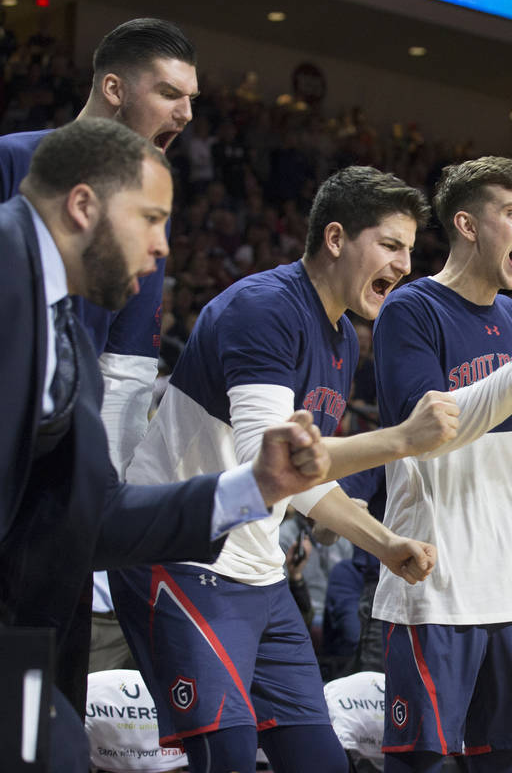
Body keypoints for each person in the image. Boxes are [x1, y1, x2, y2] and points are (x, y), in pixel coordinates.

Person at [0, 117, 329, 769]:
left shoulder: (69, 333)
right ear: (84, 205)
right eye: (150, 219)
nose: (163, 248)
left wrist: (255, 490)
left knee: (57, 752)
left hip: (25, 644)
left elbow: (94, 520)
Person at [109, 165, 459, 773]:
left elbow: (304, 481)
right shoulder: (264, 308)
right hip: (183, 558)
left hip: (260, 575)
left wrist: (383, 543)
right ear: (335, 238)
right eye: (391, 245)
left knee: (321, 761)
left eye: (410, 249)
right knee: (228, 756)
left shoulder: (346, 339)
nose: (405, 264)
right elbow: (266, 463)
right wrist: (401, 438)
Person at [372, 156, 512, 773]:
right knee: (424, 764)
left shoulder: (506, 314)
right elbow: (425, 434)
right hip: (437, 586)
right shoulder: (410, 309)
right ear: (468, 225)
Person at [0, 17, 200, 682]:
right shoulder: (14, 160)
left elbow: (128, 374)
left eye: (191, 99)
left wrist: (92, 513)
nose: (187, 113)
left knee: (52, 716)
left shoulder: (151, 206)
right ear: (113, 88)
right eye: (171, 93)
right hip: (16, 477)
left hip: (64, 508)